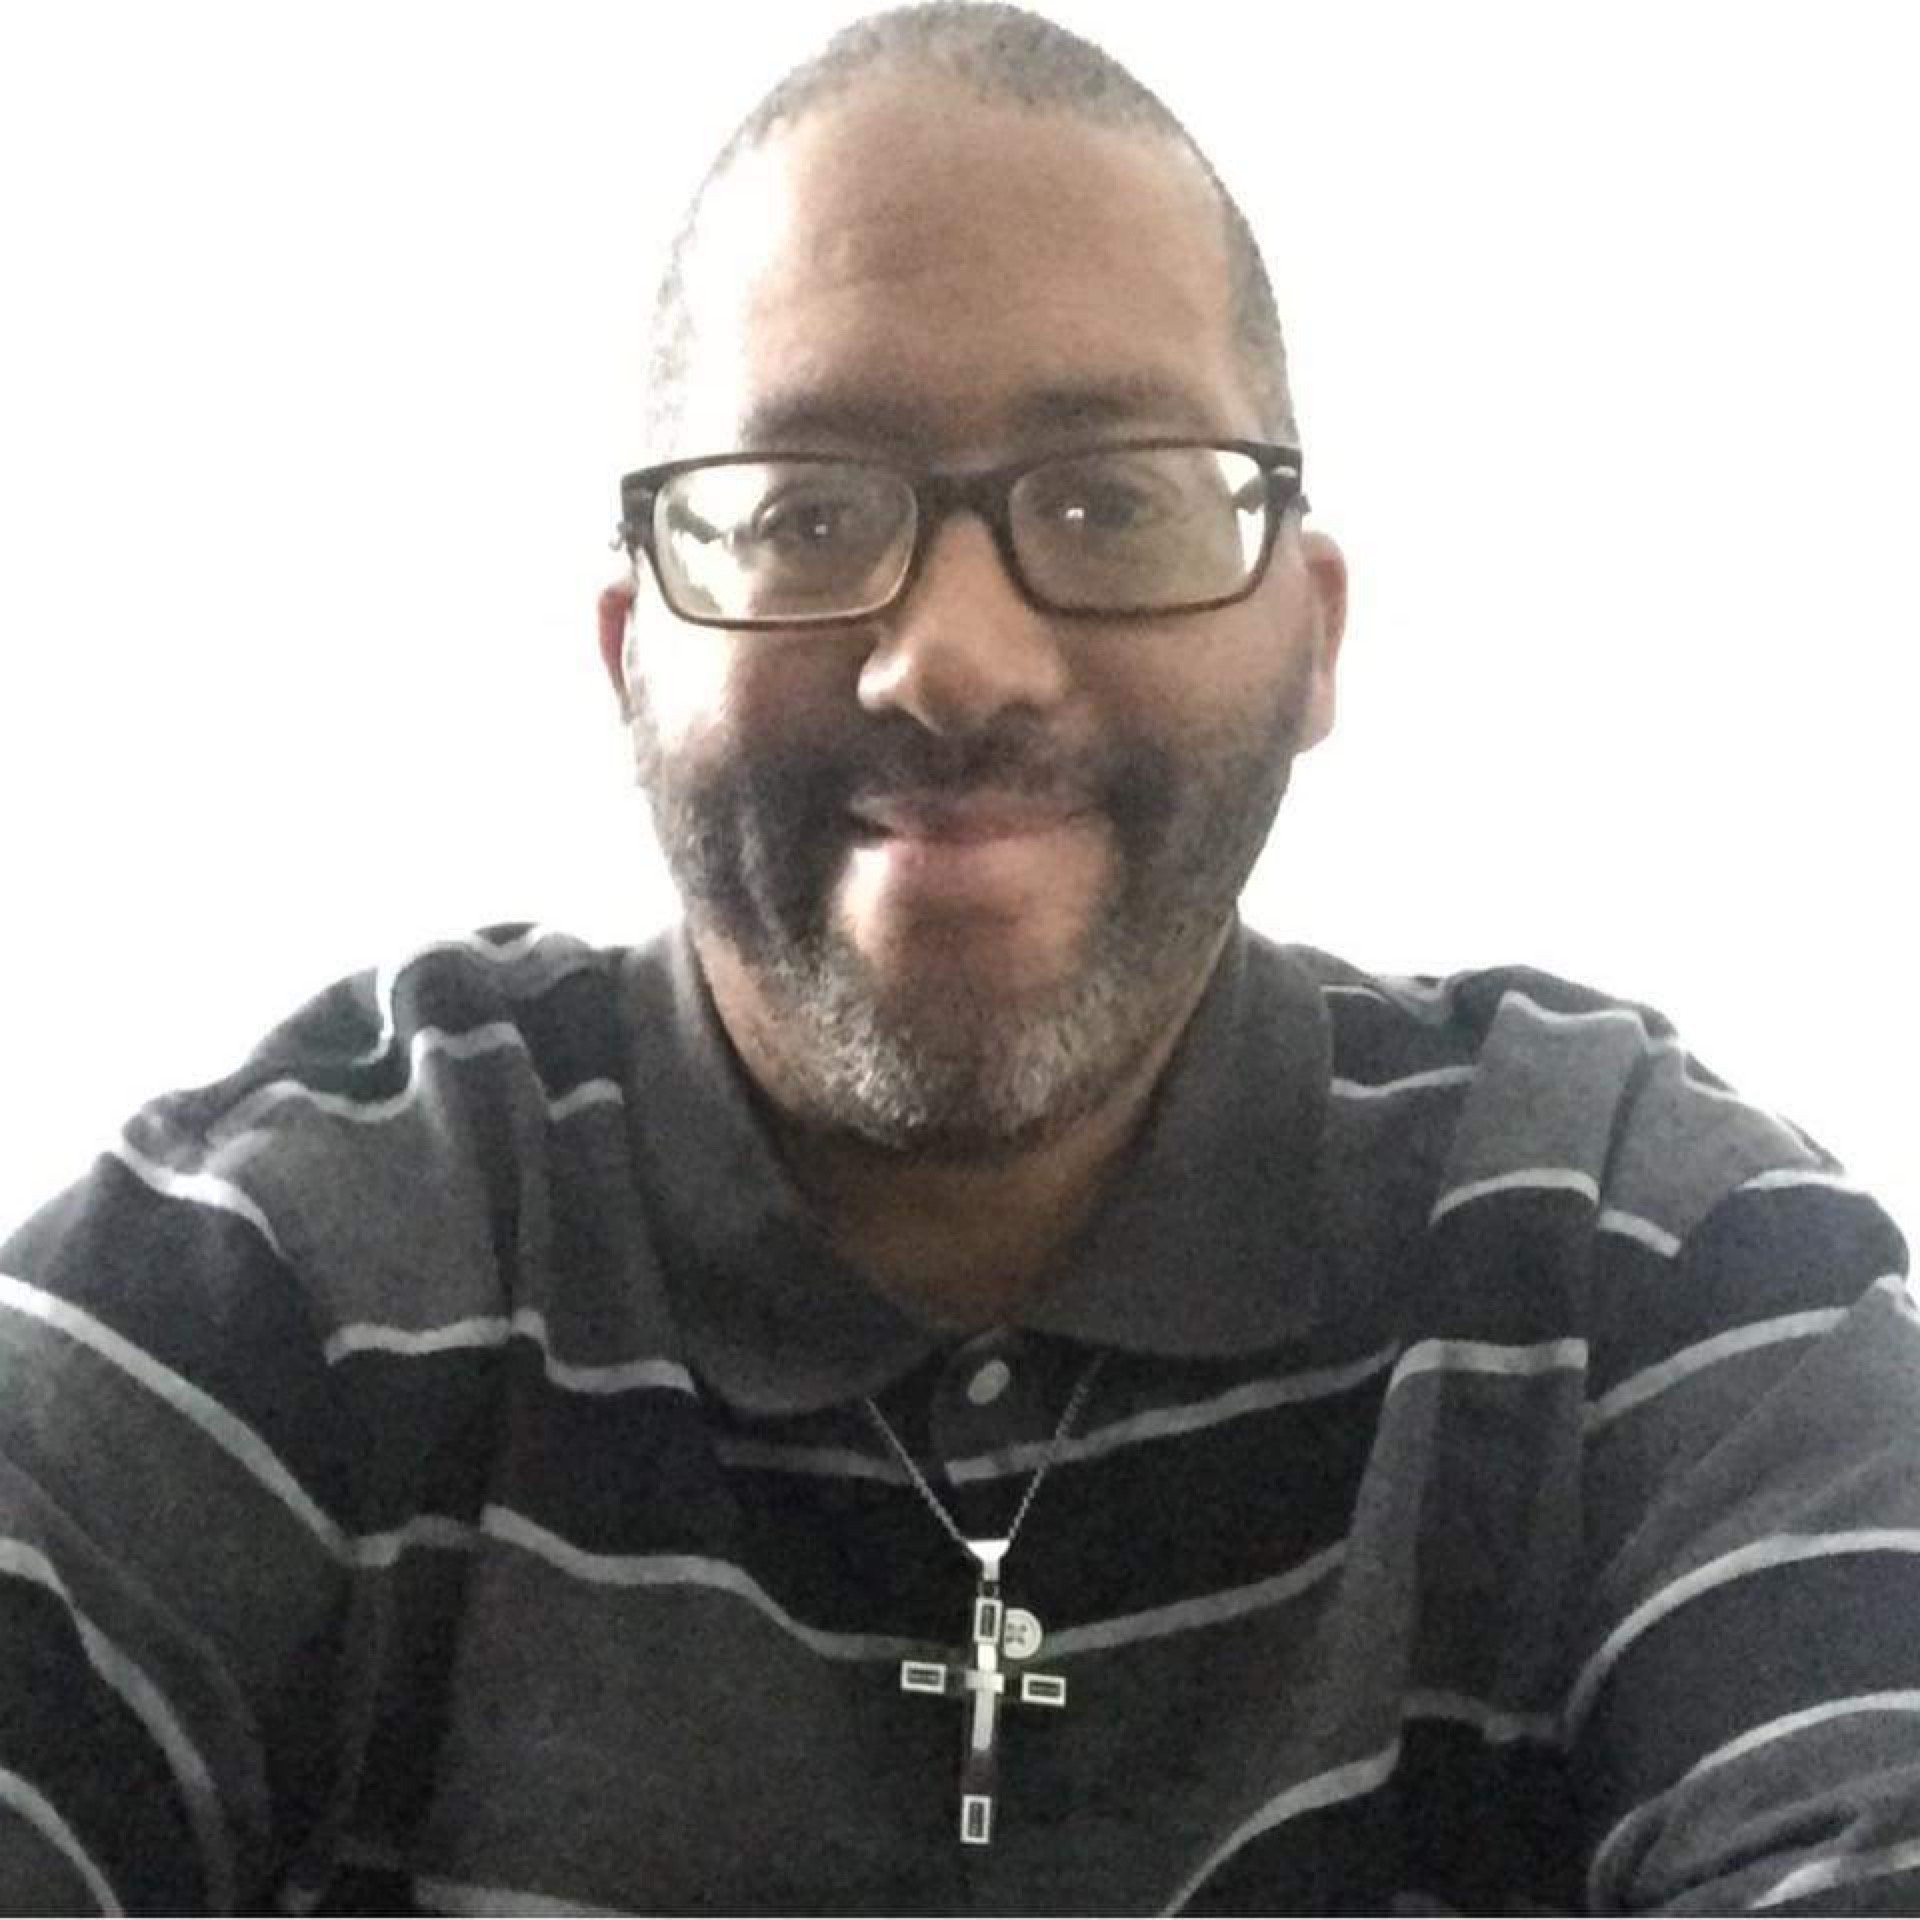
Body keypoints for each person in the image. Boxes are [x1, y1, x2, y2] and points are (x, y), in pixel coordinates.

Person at [3, 3, 1916, 1913]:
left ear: (1313, 634)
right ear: (631, 654)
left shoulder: (1639, 1262)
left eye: (1113, 500)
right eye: (805, 512)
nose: (955, 662)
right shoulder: (300, 1272)